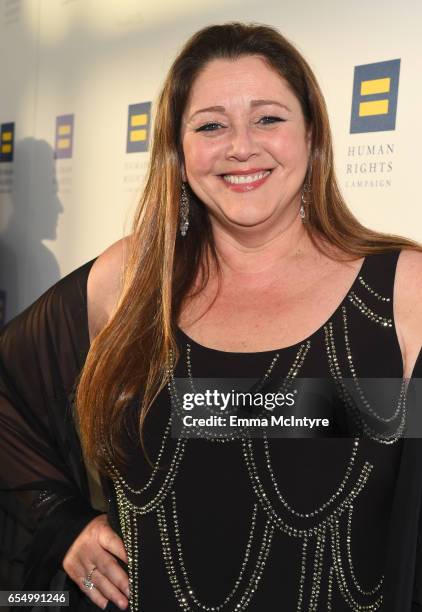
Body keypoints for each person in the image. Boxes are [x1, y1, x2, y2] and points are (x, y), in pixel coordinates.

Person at [1, 22, 422, 612]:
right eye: (210, 125)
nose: (240, 146)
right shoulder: (131, 281)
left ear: (313, 135)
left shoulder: (404, 291)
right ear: (177, 148)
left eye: (268, 118)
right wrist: (59, 520)